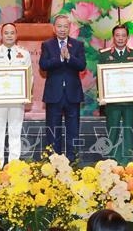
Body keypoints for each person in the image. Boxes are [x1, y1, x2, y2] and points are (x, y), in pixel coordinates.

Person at [0, 23, 33, 167]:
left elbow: (30, 76)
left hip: (17, 99)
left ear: (16, 35)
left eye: (12, 33)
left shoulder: (24, 53)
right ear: (1, 35)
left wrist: (26, 94)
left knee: (15, 132)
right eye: (6, 33)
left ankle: (14, 166)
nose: (9, 35)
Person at [39, 14, 86, 162]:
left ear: (70, 28)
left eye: (65, 26)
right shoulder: (47, 45)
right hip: (54, 94)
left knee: (73, 131)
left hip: (73, 94)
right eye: (59, 26)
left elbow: (82, 65)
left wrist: (69, 58)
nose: (62, 29)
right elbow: (43, 65)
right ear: (54, 28)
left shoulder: (77, 45)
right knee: (53, 132)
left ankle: (73, 162)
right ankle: (54, 162)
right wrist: (59, 58)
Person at [98, 24, 133, 164]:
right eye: (117, 35)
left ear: (127, 37)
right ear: (113, 37)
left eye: (123, 35)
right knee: (113, 130)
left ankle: (127, 160)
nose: (120, 38)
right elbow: (100, 77)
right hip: (112, 101)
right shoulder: (104, 55)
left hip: (130, 101)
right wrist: (102, 95)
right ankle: (112, 160)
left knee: (128, 129)